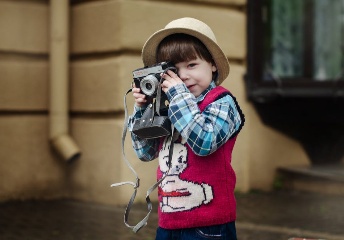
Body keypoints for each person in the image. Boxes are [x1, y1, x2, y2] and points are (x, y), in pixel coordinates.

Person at [128, 17, 245, 240]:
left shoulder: (222, 102)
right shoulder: (171, 104)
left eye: (192, 65)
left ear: (212, 64)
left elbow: (204, 142)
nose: (183, 76)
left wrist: (178, 96)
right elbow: (145, 153)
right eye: (173, 70)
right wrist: (142, 109)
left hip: (209, 225)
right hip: (168, 223)